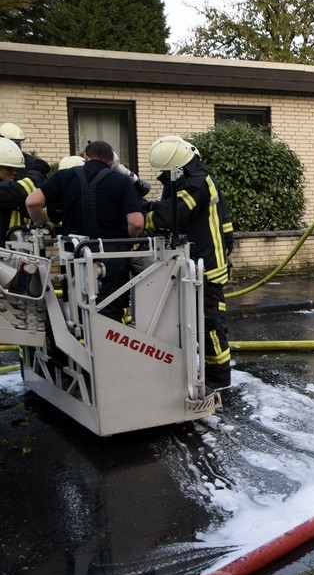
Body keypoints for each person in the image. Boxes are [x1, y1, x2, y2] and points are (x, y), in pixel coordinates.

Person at [144, 135, 233, 390]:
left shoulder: (194, 184)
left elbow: (172, 215)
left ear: (175, 166)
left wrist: (140, 216)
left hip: (205, 267)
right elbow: (224, 225)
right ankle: (204, 373)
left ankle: (218, 380)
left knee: (210, 324)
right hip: (204, 262)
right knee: (199, 321)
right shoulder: (197, 177)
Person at [25, 141, 144, 319]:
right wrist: (129, 240)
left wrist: (42, 224)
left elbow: (32, 202)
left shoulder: (62, 176)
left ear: (85, 157)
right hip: (113, 255)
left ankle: (79, 342)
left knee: (77, 306)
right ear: (111, 160)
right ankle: (108, 343)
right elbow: (136, 223)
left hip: (75, 253)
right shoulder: (122, 181)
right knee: (109, 311)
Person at [0, 137, 45, 234]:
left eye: (15, 169)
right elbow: (20, 190)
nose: (14, 173)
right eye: (9, 168)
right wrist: (38, 171)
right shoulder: (8, 190)